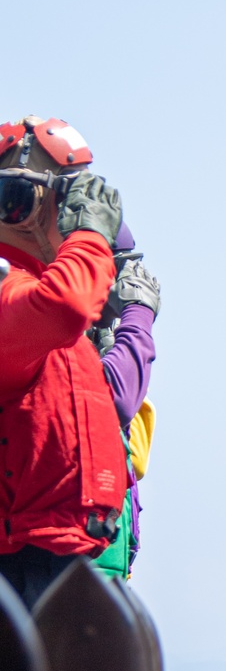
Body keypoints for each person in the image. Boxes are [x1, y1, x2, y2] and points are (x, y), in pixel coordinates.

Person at [0, 116, 126, 608]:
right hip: (22, 564)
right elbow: (67, 304)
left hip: (62, 556)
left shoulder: (43, 304)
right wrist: (92, 237)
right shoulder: (20, 298)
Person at [91, 224, 160, 576]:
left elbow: (137, 460)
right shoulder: (38, 332)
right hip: (64, 571)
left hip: (104, 564)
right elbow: (114, 399)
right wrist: (138, 316)